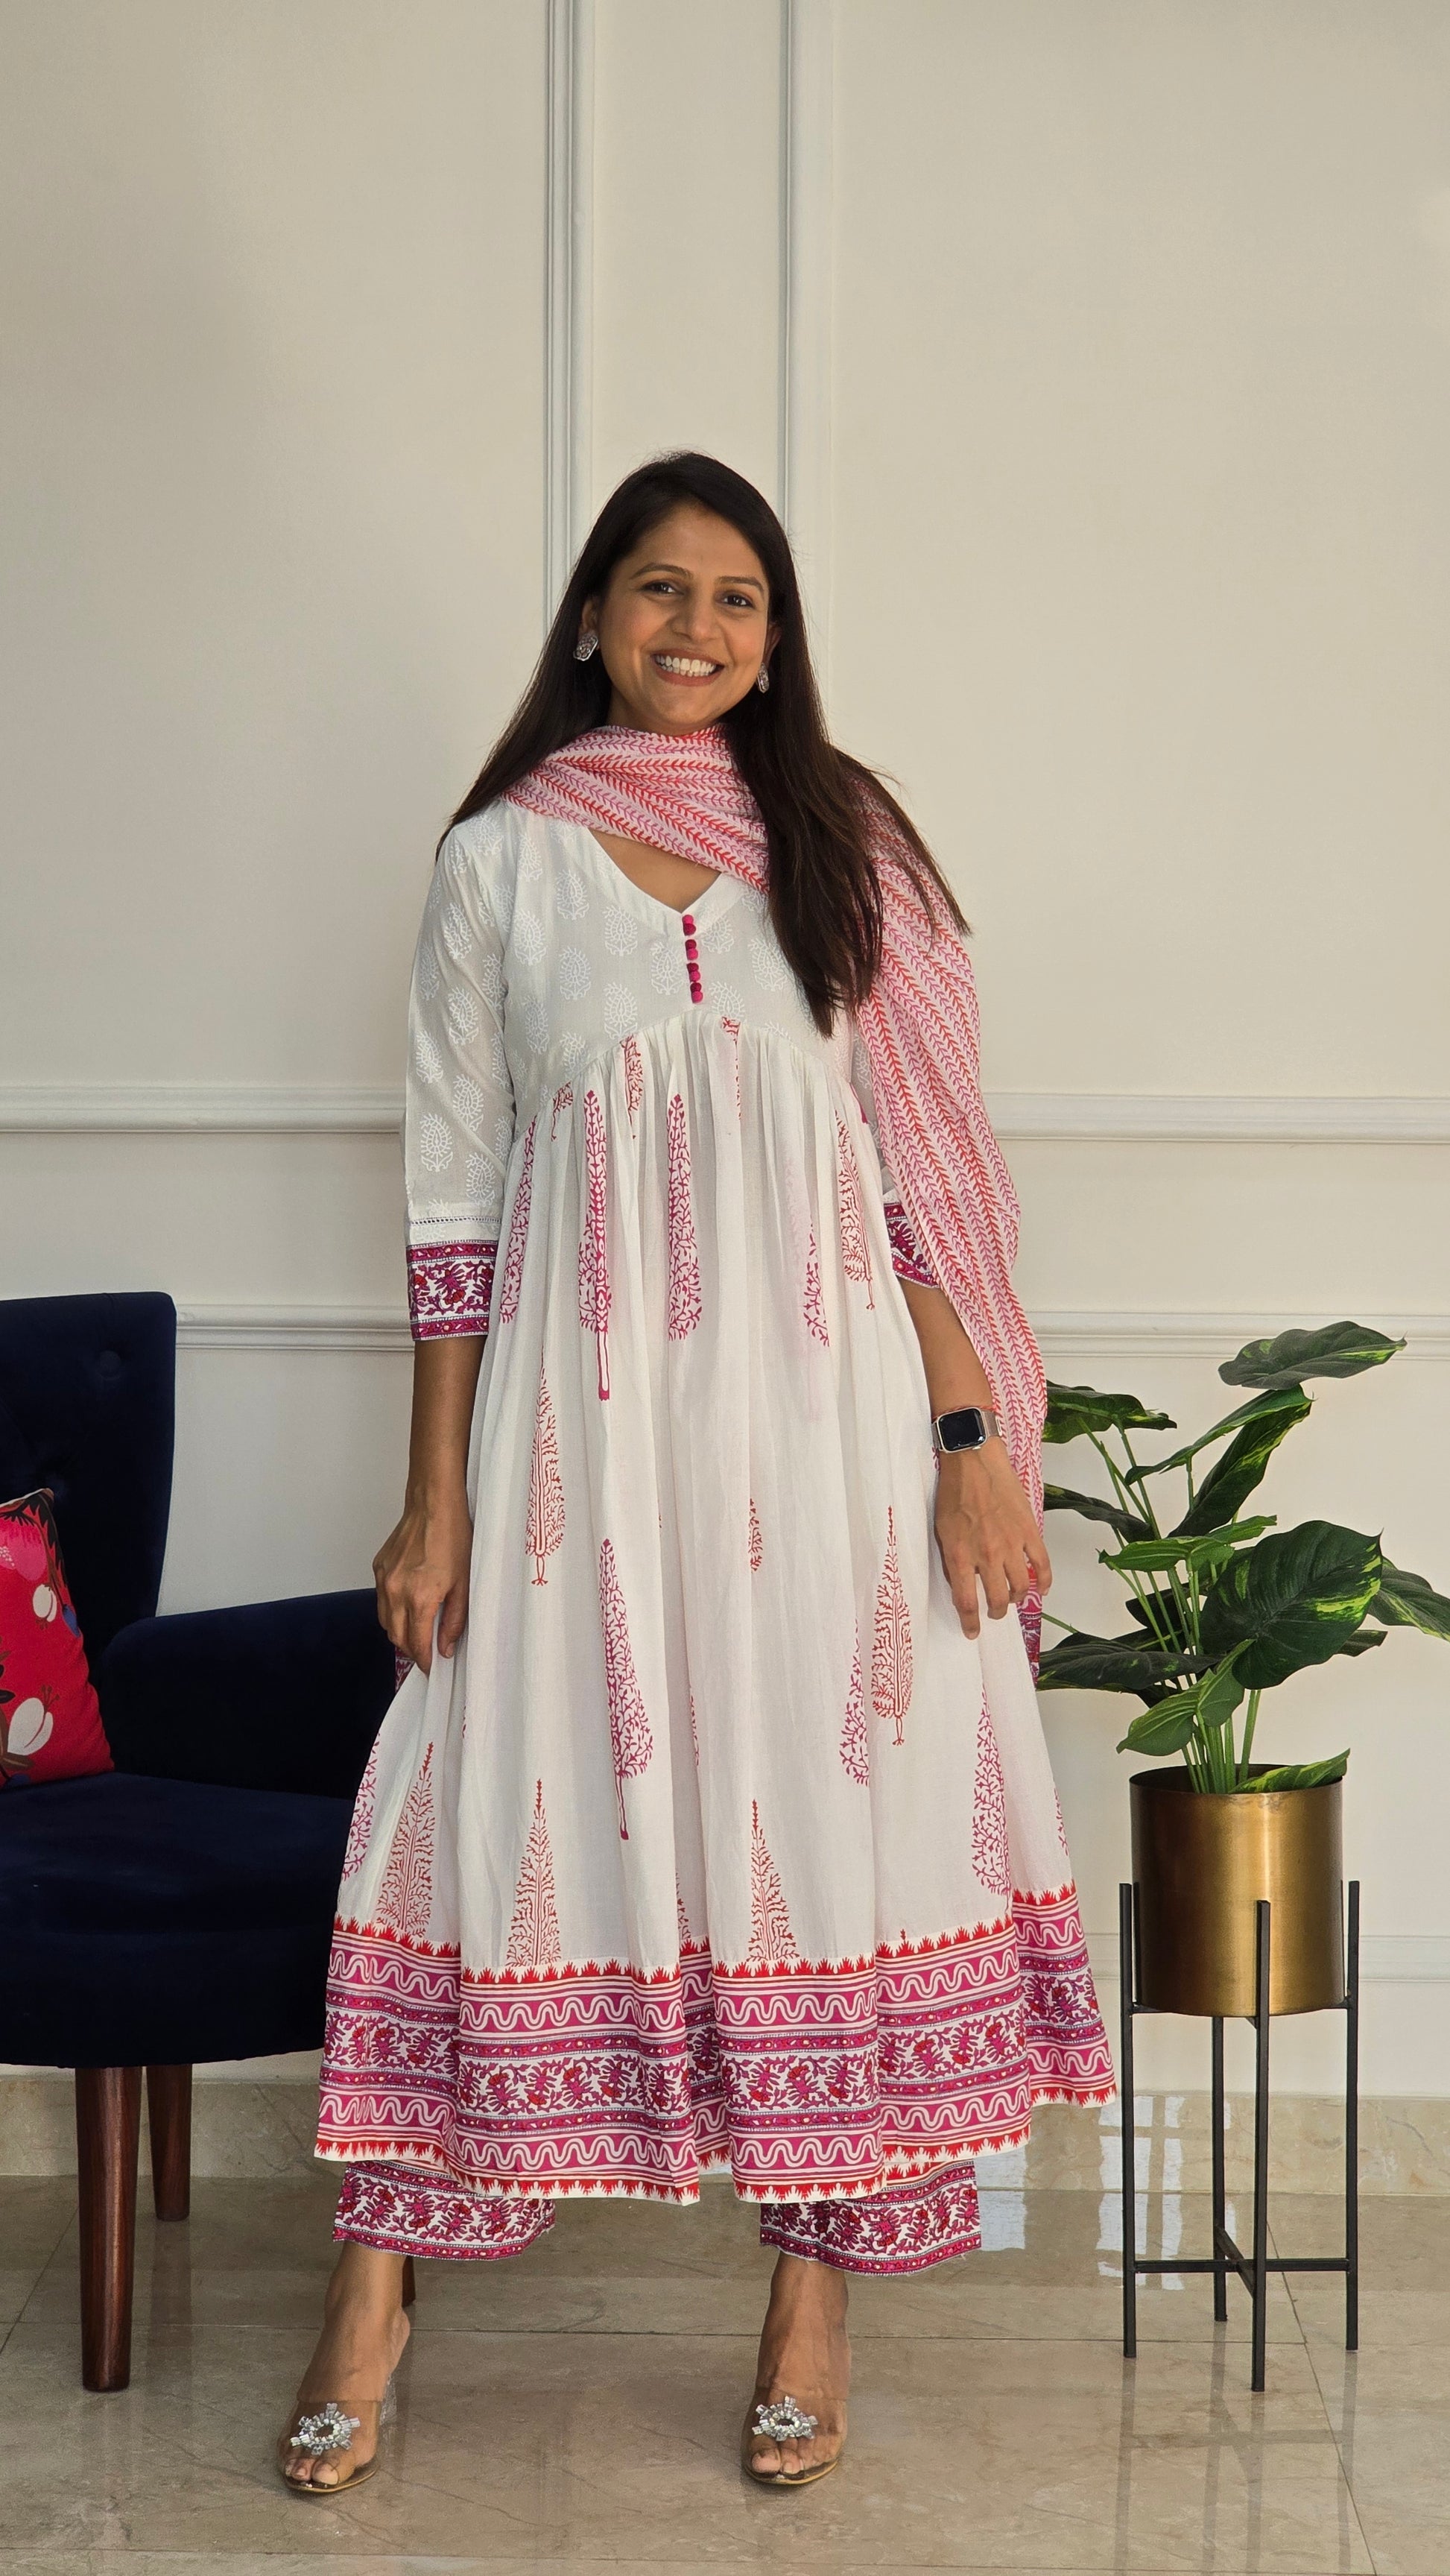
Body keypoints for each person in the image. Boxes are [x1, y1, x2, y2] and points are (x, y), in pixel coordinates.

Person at [278, 452, 1112, 2498]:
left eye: (737, 598)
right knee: (480, 1808)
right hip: (579, 1446)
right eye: (660, 588)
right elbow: (452, 1207)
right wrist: (436, 1498)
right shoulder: (501, 861)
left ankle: (809, 2308)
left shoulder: (840, 843)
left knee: (844, 1827)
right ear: (591, 617)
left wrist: (969, 1451)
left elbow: (916, 1190)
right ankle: (371, 2303)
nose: (697, 627)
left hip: (833, 1448)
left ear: (774, 635)